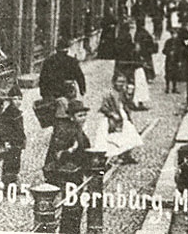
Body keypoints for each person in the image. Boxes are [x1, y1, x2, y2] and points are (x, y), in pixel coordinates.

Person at [44, 100, 91, 234]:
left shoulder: (78, 130)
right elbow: (57, 155)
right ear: (72, 117)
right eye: (80, 116)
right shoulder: (66, 131)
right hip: (67, 174)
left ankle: (72, 230)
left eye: (84, 115)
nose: (83, 118)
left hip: (76, 173)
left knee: (75, 205)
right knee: (72, 205)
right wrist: (71, 150)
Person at [98, 74, 140, 163]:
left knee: (129, 135)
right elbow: (103, 108)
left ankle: (126, 155)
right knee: (115, 138)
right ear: (114, 82)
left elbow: (130, 105)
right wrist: (112, 114)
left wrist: (130, 95)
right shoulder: (109, 93)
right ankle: (115, 157)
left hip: (123, 116)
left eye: (123, 82)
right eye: (119, 81)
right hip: (113, 118)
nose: (121, 84)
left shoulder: (123, 92)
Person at [0, 86, 26, 189]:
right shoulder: (8, 113)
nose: (18, 101)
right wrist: (6, 141)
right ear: (10, 100)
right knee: (9, 162)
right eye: (15, 99)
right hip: (11, 142)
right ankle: (8, 184)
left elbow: (20, 129)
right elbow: (3, 129)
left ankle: (13, 182)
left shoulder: (17, 112)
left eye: (20, 99)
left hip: (17, 142)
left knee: (16, 162)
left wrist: (23, 140)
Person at [162, 28, 184, 94]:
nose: (174, 35)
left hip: (175, 60)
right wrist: (169, 52)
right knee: (168, 74)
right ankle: (167, 87)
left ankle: (174, 88)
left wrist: (180, 61)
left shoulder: (179, 42)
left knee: (175, 74)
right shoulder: (168, 42)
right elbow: (164, 51)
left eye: (175, 34)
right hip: (169, 60)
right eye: (173, 34)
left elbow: (181, 52)